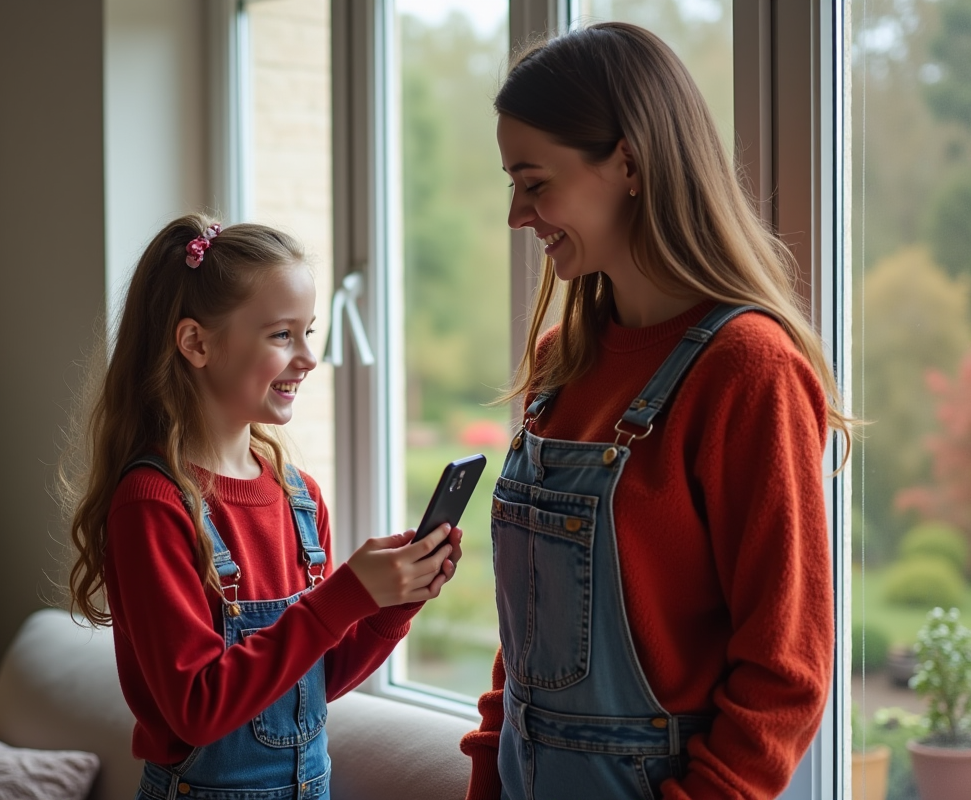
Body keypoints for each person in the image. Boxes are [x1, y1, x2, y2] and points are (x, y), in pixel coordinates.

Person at [460, 22, 852, 800]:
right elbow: (527, 642)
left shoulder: (748, 370)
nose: (517, 214)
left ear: (630, 163)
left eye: (535, 183)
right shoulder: (558, 361)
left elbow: (786, 674)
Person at [63, 214, 463, 800]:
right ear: (196, 343)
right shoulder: (152, 505)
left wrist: (388, 606)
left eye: (309, 332)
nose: (308, 357)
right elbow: (198, 708)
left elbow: (309, 682)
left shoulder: (298, 496)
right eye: (282, 335)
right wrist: (345, 594)